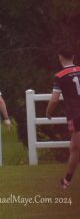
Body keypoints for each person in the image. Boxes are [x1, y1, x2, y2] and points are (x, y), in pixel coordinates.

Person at [46, 47, 80, 188]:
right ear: (73, 56)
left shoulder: (60, 76)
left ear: (60, 57)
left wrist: (48, 112)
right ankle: (67, 180)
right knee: (74, 148)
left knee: (76, 147)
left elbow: (54, 100)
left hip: (76, 114)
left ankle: (67, 181)